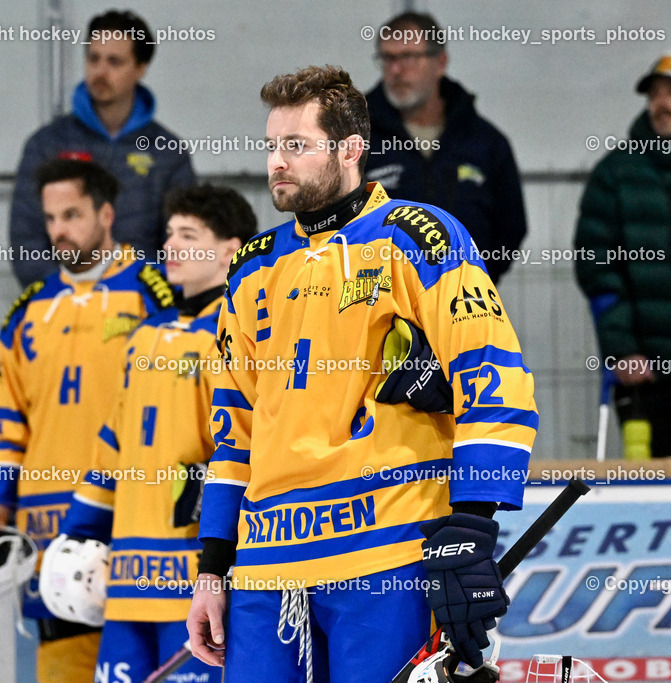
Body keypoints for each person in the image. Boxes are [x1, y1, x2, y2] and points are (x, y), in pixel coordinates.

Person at [186, 65, 538, 682]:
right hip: (266, 569)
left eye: (296, 146)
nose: (277, 162)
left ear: (350, 149)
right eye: (272, 146)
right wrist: (212, 571)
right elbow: (231, 433)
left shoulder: (418, 239)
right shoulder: (250, 268)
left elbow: (495, 377)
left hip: (388, 555)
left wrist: (473, 525)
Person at [50, 185, 257, 683]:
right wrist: (79, 531)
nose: (171, 247)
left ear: (231, 249)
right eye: (169, 234)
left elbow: (250, 444)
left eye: (189, 235)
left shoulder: (237, 334)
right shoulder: (143, 335)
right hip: (126, 579)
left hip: (194, 582)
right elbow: (113, 442)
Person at [0, 158, 174, 682]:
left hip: (136, 522)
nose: (58, 230)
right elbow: (7, 419)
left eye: (71, 214)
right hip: (47, 534)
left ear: (105, 214)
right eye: (50, 218)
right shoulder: (27, 312)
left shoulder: (156, 293)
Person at [10, 9, 197, 287]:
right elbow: (26, 240)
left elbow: (184, 240)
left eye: (114, 61)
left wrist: (145, 295)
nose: (100, 71)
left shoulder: (167, 152)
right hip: (63, 309)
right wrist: (70, 293)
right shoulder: (47, 144)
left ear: (140, 68)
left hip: (143, 308)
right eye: (93, 58)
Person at [364, 11, 527, 284]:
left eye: (408, 57)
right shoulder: (356, 139)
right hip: (379, 307)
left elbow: (511, 226)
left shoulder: (484, 142)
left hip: (466, 302)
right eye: (387, 58)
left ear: (440, 63)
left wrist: (478, 278)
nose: (395, 70)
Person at [574, 51, 671, 459]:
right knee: (649, 479)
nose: (662, 103)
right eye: (655, 93)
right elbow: (599, 269)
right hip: (644, 372)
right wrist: (623, 350)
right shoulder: (615, 173)